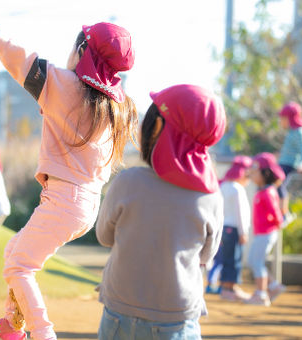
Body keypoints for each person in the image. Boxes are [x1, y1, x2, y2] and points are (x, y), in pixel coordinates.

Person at [0, 8, 138, 340]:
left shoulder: (66, 85)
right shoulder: (118, 106)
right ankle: (13, 324)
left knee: (19, 266)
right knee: (15, 251)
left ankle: (42, 333)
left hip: (64, 200)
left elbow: (19, 59)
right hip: (83, 203)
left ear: (83, 52)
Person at [95, 84, 226, 339]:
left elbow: (104, 237)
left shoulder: (128, 181)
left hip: (120, 311)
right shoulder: (211, 197)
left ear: (157, 128)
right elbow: (206, 255)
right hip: (177, 319)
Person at [245, 152, 286, 306]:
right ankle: (274, 286)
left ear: (265, 173)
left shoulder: (267, 192)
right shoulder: (263, 191)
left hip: (266, 233)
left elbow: (276, 212)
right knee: (254, 261)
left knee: (256, 262)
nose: (252, 175)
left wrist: (278, 222)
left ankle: (261, 294)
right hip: (262, 233)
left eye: (255, 172)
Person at [219, 155, 253, 302]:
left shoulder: (223, 186)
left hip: (224, 228)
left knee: (226, 259)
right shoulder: (238, 189)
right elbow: (242, 213)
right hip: (234, 229)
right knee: (235, 259)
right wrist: (243, 232)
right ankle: (230, 289)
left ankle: (225, 288)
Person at [277, 102, 302, 220]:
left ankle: (284, 214)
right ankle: (279, 213)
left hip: (289, 165)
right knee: (273, 185)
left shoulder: (300, 132)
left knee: (279, 185)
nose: (281, 121)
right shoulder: (291, 132)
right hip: (282, 163)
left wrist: (301, 164)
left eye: (283, 118)